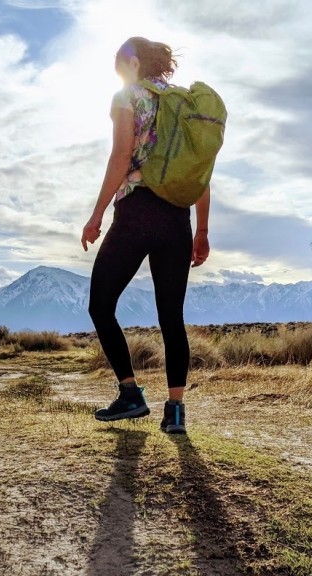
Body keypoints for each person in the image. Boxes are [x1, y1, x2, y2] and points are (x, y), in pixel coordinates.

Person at [81, 36, 211, 434]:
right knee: (172, 317)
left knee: (101, 305)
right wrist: (202, 230)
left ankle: (131, 394)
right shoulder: (184, 106)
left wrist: (97, 213)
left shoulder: (128, 96)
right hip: (177, 218)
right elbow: (199, 175)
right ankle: (175, 411)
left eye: (120, 65)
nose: (118, 73)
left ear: (133, 62)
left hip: (137, 210)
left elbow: (121, 156)